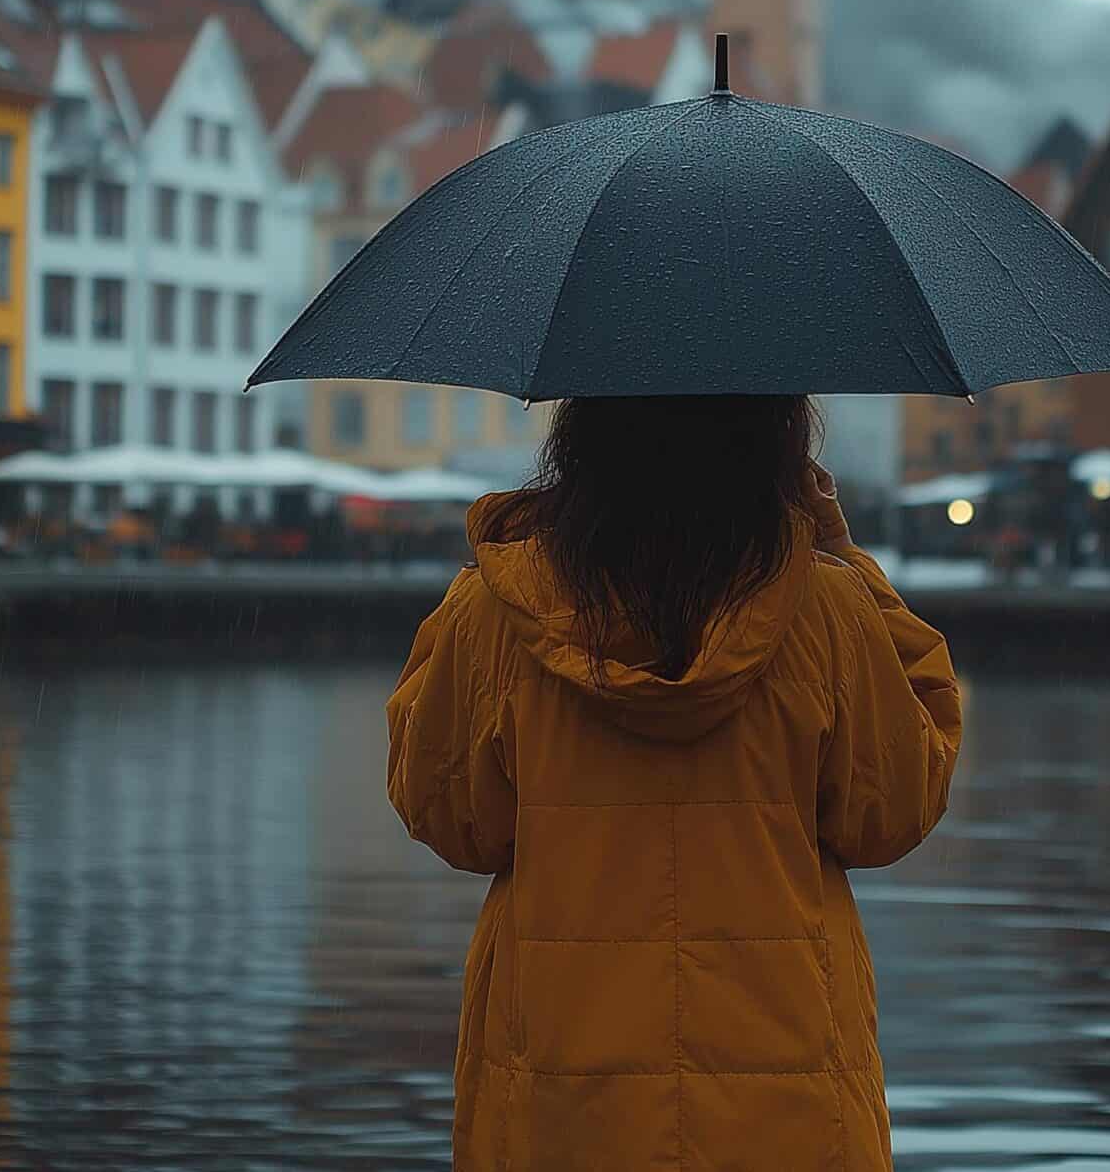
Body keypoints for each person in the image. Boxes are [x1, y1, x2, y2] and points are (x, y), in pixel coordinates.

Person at [387, 395, 963, 1171]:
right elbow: (896, 806)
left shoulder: (499, 613)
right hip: (788, 1108)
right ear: (775, 441)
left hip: (560, 1102)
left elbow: (450, 813)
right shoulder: (828, 612)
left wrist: (481, 594)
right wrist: (845, 554)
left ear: (582, 437)